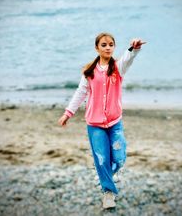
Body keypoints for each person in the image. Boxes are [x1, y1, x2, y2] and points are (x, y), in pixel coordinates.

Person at [58, 33, 146, 209]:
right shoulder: (89, 73)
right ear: (97, 48)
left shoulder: (117, 68)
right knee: (101, 159)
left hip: (115, 123)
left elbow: (128, 59)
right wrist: (68, 113)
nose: (108, 47)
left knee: (119, 159)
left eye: (111, 45)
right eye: (104, 45)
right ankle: (108, 192)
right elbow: (80, 93)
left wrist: (134, 48)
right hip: (95, 124)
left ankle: (105, 175)